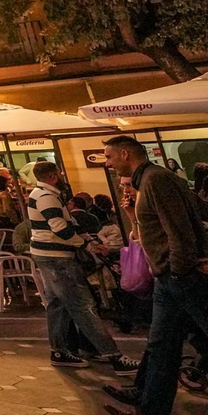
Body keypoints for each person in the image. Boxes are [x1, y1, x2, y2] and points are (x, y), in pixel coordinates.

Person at [100, 136, 208, 415]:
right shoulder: (151, 181)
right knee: (162, 344)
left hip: (183, 278)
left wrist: (180, 269)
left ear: (126, 154)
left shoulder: (156, 181)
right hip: (170, 279)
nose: (107, 162)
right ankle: (152, 411)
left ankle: (151, 407)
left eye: (109, 156)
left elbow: (180, 231)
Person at [20, 159, 135, 373]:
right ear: (53, 176)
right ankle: (113, 356)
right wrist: (86, 245)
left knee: (57, 304)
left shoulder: (45, 195)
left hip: (47, 255)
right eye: (60, 174)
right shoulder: (46, 197)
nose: (63, 177)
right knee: (83, 305)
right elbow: (60, 229)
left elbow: (70, 224)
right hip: (57, 258)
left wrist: (90, 242)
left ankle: (60, 351)